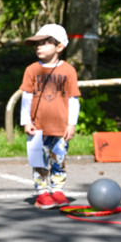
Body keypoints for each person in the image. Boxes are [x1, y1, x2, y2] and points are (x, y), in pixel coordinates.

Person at [19, 23, 81, 209]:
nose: (39, 47)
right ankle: (42, 192)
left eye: (44, 43)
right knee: (39, 161)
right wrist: (26, 121)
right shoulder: (31, 70)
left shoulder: (69, 71)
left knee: (59, 160)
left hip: (61, 128)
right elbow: (26, 98)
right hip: (37, 127)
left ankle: (57, 190)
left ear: (59, 47)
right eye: (37, 44)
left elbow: (73, 99)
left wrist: (71, 124)